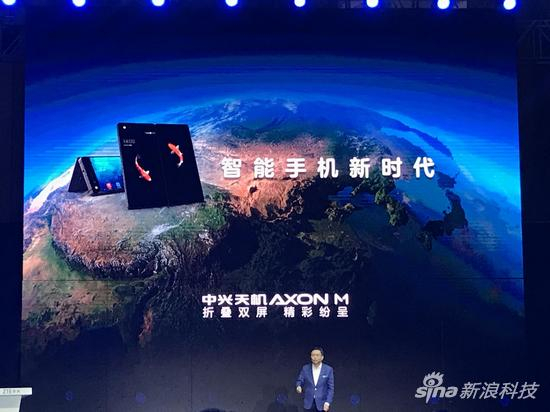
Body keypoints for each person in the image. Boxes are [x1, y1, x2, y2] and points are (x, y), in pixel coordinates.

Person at [295, 347, 334, 412]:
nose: (315, 357)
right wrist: (298, 386)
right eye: (313, 355)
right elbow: (299, 380)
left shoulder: (328, 369)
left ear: (322, 357)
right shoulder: (305, 368)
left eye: (317, 355)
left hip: (322, 404)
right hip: (308, 403)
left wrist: (328, 402)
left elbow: (331, 388)